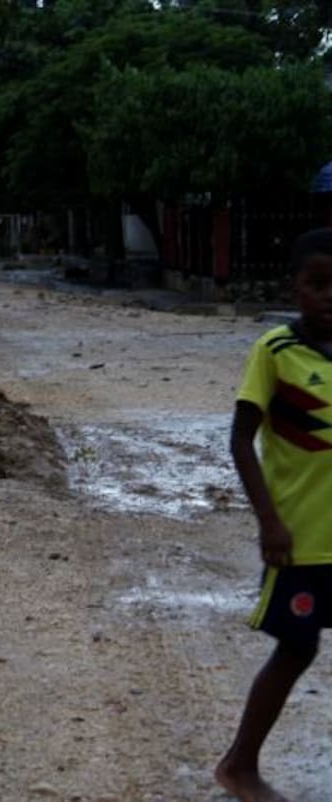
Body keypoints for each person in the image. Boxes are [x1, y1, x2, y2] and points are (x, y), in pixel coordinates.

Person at [215, 227, 332, 802]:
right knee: (297, 647)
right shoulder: (276, 352)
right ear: (296, 287)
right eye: (318, 284)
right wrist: (269, 521)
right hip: (301, 542)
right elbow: (241, 440)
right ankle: (239, 765)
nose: (329, 295)